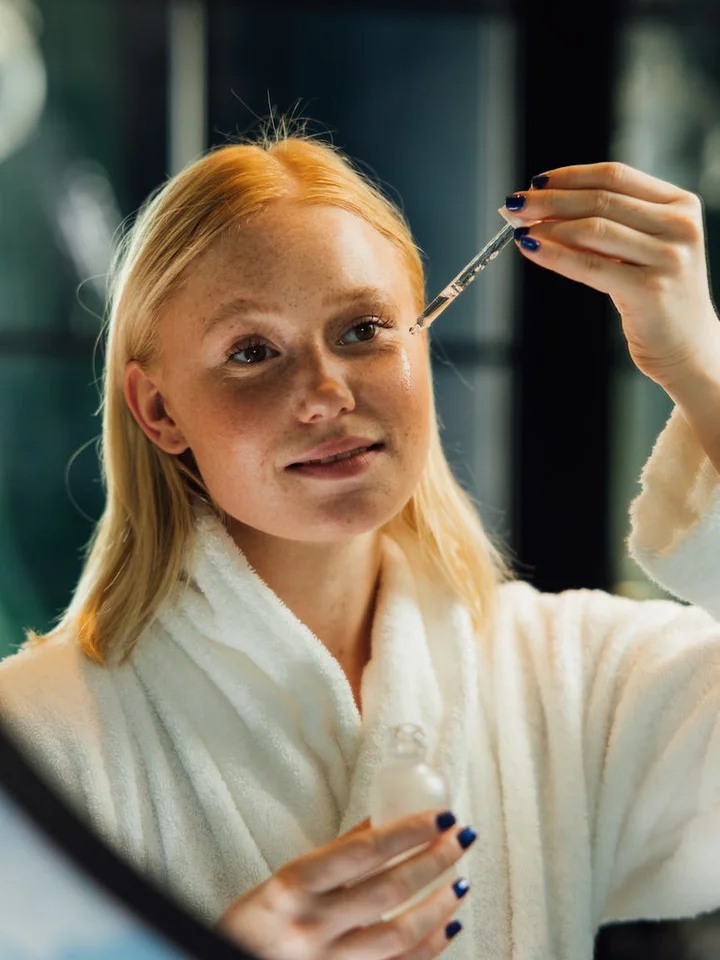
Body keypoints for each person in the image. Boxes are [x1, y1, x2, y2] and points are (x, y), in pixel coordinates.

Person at [1, 122, 720, 960]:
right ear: (158, 410)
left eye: (362, 331)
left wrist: (701, 366)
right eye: (252, 351)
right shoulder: (34, 743)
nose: (325, 394)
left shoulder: (575, 680)